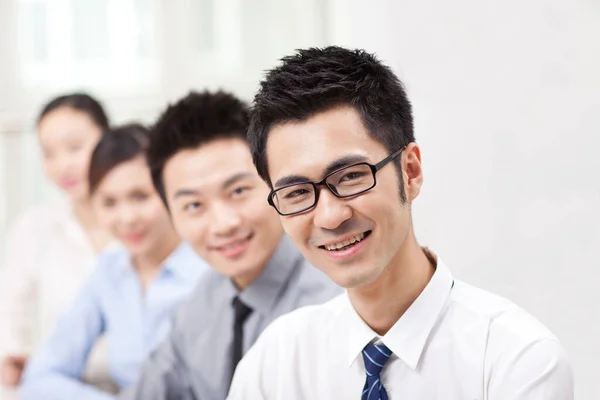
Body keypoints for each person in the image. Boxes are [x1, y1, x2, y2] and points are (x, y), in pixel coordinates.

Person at [227, 46, 575, 399]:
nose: (330, 216)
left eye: (350, 177)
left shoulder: (515, 358)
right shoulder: (275, 363)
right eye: (298, 193)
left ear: (410, 171)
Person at [120, 90, 341, 400]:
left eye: (238, 191)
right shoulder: (202, 302)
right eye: (194, 206)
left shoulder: (334, 301)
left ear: (275, 182)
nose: (223, 224)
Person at [19, 124, 209, 399]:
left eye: (140, 196)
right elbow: (42, 376)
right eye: (109, 203)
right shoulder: (110, 269)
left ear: (170, 190)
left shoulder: (209, 269)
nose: (127, 217)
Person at [0, 93, 113, 388]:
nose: (62, 165)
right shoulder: (34, 227)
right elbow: (7, 308)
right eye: (48, 153)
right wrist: (12, 353)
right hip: (68, 385)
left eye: (74, 147)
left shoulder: (141, 222)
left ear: (108, 140)